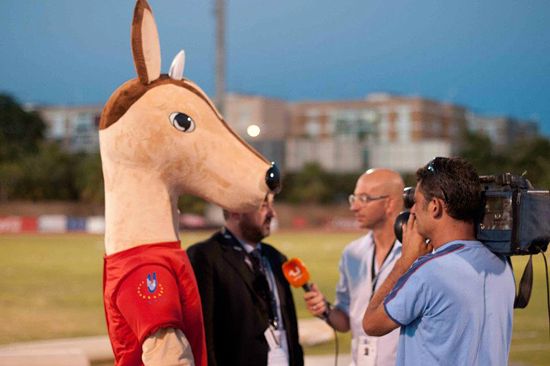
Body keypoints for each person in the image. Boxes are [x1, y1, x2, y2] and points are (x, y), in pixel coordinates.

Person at [362, 157, 515, 365]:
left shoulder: (428, 272)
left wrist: (404, 263)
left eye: (415, 202)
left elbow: (371, 323)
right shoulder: (502, 264)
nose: (412, 211)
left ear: (435, 206)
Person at [187, 194, 304, 366]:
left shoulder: (276, 257)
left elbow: (291, 330)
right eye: (264, 206)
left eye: (272, 205)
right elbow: (204, 333)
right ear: (236, 211)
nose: (272, 213)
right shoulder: (205, 256)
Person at [303, 168, 405, 366]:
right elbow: (345, 322)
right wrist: (325, 310)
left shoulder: (415, 254)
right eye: (354, 198)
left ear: (390, 203)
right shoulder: (352, 253)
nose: (354, 207)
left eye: (364, 198)